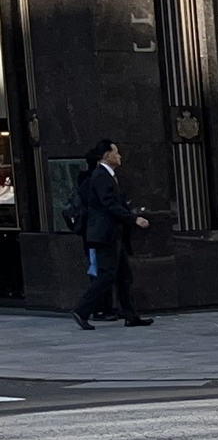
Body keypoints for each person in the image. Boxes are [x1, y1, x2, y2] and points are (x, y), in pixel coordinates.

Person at [71, 139, 151, 329]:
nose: (120, 156)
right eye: (116, 152)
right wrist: (134, 219)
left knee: (124, 275)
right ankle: (81, 310)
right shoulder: (100, 176)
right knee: (107, 275)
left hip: (113, 234)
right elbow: (109, 204)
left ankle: (131, 316)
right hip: (104, 235)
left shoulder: (108, 176)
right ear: (107, 155)